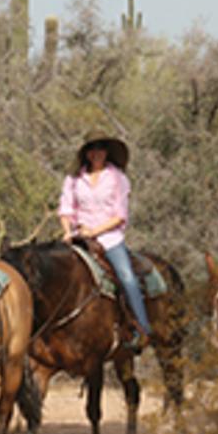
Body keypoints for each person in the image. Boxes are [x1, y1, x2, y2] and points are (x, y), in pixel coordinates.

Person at [58, 130, 151, 352]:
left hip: (109, 238)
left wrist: (94, 231)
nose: (96, 153)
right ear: (86, 153)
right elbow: (65, 209)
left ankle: (142, 328)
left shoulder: (117, 178)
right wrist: (67, 231)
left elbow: (119, 215)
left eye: (101, 148)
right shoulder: (74, 179)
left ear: (106, 152)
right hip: (79, 235)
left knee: (127, 278)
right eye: (92, 149)